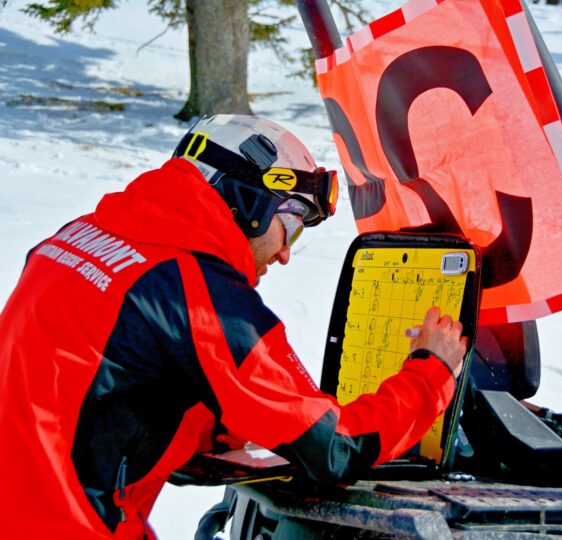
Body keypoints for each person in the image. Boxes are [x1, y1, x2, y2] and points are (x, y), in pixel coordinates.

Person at [0, 114, 468, 538]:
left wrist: (223, 423)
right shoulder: (199, 294)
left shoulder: (77, 238)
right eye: (293, 226)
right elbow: (336, 448)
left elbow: (109, 387)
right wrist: (432, 372)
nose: (286, 254)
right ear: (252, 203)